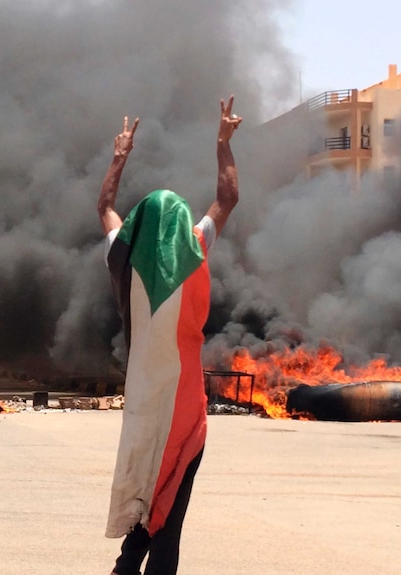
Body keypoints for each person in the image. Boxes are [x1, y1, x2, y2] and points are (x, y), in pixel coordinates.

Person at [98, 96, 242, 575]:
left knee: (147, 488)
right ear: (180, 226)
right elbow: (227, 199)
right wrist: (222, 145)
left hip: (142, 402)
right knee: (170, 511)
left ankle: (124, 568)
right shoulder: (196, 247)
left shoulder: (123, 254)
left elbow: (105, 208)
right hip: (184, 411)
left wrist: (119, 159)